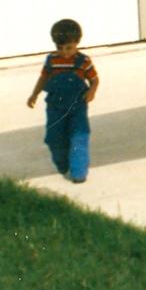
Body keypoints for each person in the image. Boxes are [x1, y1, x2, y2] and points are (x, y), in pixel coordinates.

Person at [26, 18, 99, 183]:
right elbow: (43, 78)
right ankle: (63, 164)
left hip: (77, 106)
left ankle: (79, 171)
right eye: (60, 48)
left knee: (78, 136)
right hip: (55, 107)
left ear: (77, 43)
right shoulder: (52, 60)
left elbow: (94, 79)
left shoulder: (83, 61)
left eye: (69, 48)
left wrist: (92, 91)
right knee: (54, 138)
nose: (65, 52)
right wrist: (34, 94)